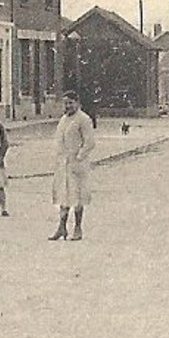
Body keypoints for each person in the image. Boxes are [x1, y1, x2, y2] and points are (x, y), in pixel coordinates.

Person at [49, 90, 96, 241]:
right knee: (63, 195)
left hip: (77, 165)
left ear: (77, 103)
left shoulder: (83, 119)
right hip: (63, 164)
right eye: (65, 103)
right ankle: (61, 227)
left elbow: (89, 142)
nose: (68, 106)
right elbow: (59, 140)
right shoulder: (63, 120)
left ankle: (77, 227)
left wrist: (79, 157)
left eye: (70, 103)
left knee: (77, 197)